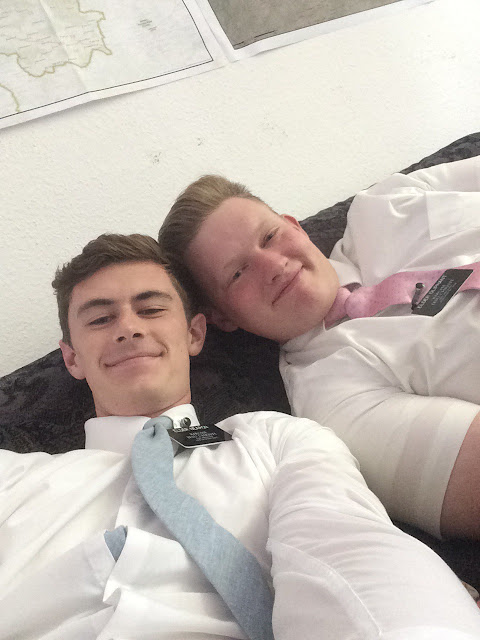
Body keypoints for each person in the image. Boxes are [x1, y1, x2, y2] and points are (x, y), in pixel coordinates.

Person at [2, 234, 480, 639]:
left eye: (150, 309)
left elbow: (349, 547)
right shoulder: (14, 480)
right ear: (71, 358)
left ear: (194, 334)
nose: (128, 328)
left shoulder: (273, 438)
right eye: (100, 319)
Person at [157, 155, 480, 542]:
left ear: (295, 225)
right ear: (222, 318)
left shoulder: (382, 204)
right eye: (238, 272)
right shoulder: (333, 406)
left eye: (270, 236)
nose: (274, 265)